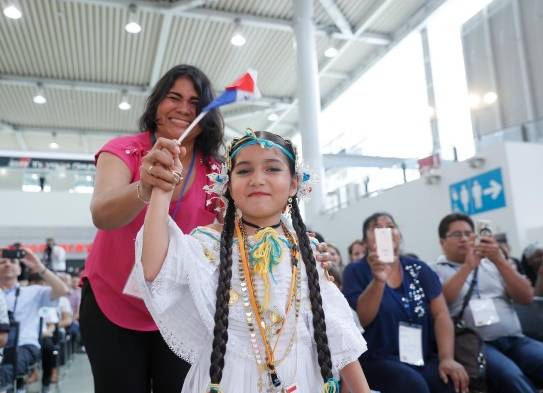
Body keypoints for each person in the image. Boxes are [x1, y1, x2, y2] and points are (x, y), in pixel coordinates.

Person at [130, 131, 370, 393]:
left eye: (272, 168)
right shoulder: (210, 244)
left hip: (301, 379)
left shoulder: (308, 250)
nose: (257, 179)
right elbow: (155, 269)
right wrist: (162, 192)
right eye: (244, 171)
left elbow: (337, 329)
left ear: (293, 184)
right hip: (229, 379)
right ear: (229, 186)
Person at [433, 213, 543, 393]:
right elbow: (442, 301)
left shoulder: (491, 264)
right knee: (511, 377)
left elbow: (526, 297)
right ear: (442, 242)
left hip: (514, 338)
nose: (464, 239)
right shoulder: (434, 270)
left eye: (468, 233)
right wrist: (467, 267)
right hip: (478, 345)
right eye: (457, 235)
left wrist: (499, 260)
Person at [342, 212, 467, 393]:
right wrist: (378, 281)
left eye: (391, 226)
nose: (385, 230)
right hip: (378, 358)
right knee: (414, 385)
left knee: (449, 382)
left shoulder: (418, 268)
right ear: (366, 242)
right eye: (376, 228)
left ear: (399, 234)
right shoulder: (355, 271)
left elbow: (441, 314)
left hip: (420, 356)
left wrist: (446, 358)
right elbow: (363, 319)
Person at [0, 247, 69, 393]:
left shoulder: (33, 291)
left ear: (20, 270)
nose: (7, 264)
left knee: (8, 367)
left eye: (13, 261)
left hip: (24, 345)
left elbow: (63, 290)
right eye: (2, 262)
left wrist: (39, 267)